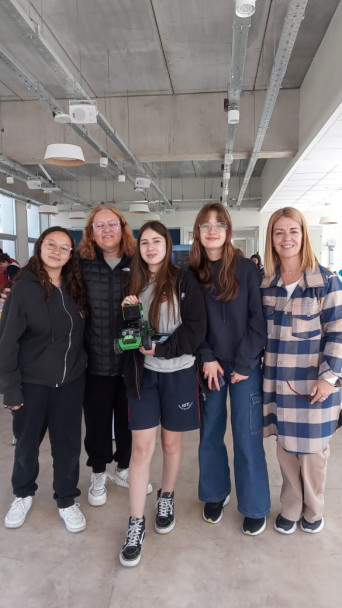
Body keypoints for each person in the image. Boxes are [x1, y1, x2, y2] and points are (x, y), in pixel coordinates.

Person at [119, 221, 206, 567]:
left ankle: (166, 497)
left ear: (168, 245)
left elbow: (196, 328)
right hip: (143, 378)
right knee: (141, 448)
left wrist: (163, 350)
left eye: (157, 241)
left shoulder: (185, 281)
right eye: (145, 242)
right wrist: (127, 313)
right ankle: (135, 522)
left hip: (179, 374)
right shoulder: (132, 282)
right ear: (138, 247)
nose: (150, 248)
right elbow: (127, 335)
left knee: (171, 444)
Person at [189, 202, 270, 535]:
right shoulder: (191, 272)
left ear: (227, 231)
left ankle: (254, 504)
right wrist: (206, 356)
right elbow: (191, 323)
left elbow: (258, 322)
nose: (212, 230)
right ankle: (214, 493)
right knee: (209, 434)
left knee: (246, 436)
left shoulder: (246, 269)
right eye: (206, 225)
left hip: (244, 368)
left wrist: (243, 364)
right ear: (198, 231)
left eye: (219, 224)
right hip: (210, 367)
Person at [0, 227, 88, 533]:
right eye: (51, 244)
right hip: (32, 384)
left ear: (70, 255)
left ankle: (66, 499)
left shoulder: (74, 286)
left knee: (68, 448)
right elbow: (7, 342)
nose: (57, 251)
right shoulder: (23, 287)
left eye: (64, 248)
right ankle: (23, 493)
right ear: (40, 247)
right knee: (26, 447)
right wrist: (10, 390)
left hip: (70, 383)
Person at [261, 207, 342, 535]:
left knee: (312, 455)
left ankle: (314, 510)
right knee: (286, 452)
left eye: (293, 231)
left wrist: (328, 377)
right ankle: (291, 507)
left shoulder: (326, 281)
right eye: (279, 232)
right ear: (272, 239)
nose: (286, 238)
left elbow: (338, 331)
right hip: (279, 385)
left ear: (304, 235)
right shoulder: (267, 283)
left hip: (313, 384)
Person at [79, 204, 152, 507]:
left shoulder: (137, 263)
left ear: (123, 228)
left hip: (129, 359)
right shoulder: (80, 264)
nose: (106, 230)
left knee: (127, 420)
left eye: (112, 224)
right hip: (93, 360)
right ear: (91, 233)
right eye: (99, 226)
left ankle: (123, 469)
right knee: (96, 422)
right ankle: (98, 472)